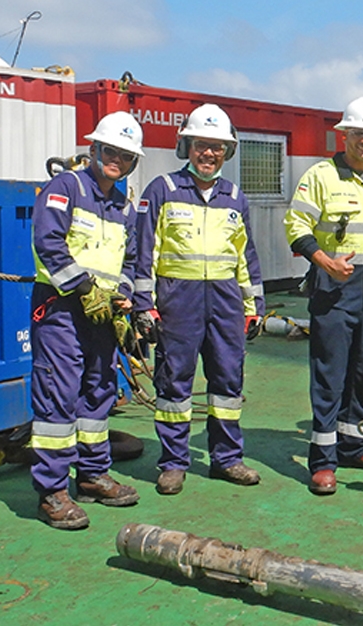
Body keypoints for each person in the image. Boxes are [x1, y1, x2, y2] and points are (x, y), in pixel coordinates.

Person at [133, 104, 265, 496]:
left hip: (225, 302)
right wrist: (144, 304)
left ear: (228, 151)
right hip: (178, 301)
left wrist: (253, 306)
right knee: (174, 382)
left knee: (228, 381)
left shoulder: (235, 197)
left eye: (217, 147)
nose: (209, 154)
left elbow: (245, 257)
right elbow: (144, 251)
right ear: (187, 147)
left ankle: (227, 458)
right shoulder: (162, 190)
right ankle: (173, 464)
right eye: (201, 145)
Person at [284, 96, 363, 496]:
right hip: (334, 284)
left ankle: (356, 445)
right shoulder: (321, 176)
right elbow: (296, 225)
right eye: (359, 133)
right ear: (345, 135)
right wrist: (325, 261)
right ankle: (323, 461)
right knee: (331, 372)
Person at [29, 111, 145, 530]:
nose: (117, 160)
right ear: (94, 149)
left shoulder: (123, 206)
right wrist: (84, 288)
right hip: (61, 309)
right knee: (58, 395)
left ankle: (93, 476)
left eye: (126, 156)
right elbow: (48, 242)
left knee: (98, 392)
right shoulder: (66, 187)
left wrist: (124, 297)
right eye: (111, 151)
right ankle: (52, 491)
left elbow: (130, 261)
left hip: (104, 313)